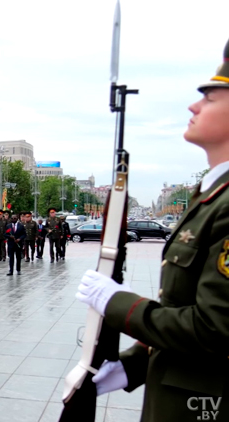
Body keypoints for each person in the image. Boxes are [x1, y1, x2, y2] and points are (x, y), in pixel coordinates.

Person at [74, 39, 229, 421]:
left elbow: (213, 329)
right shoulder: (210, 196)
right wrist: (133, 365)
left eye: (210, 98)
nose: (194, 105)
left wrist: (118, 304)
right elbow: (186, 309)